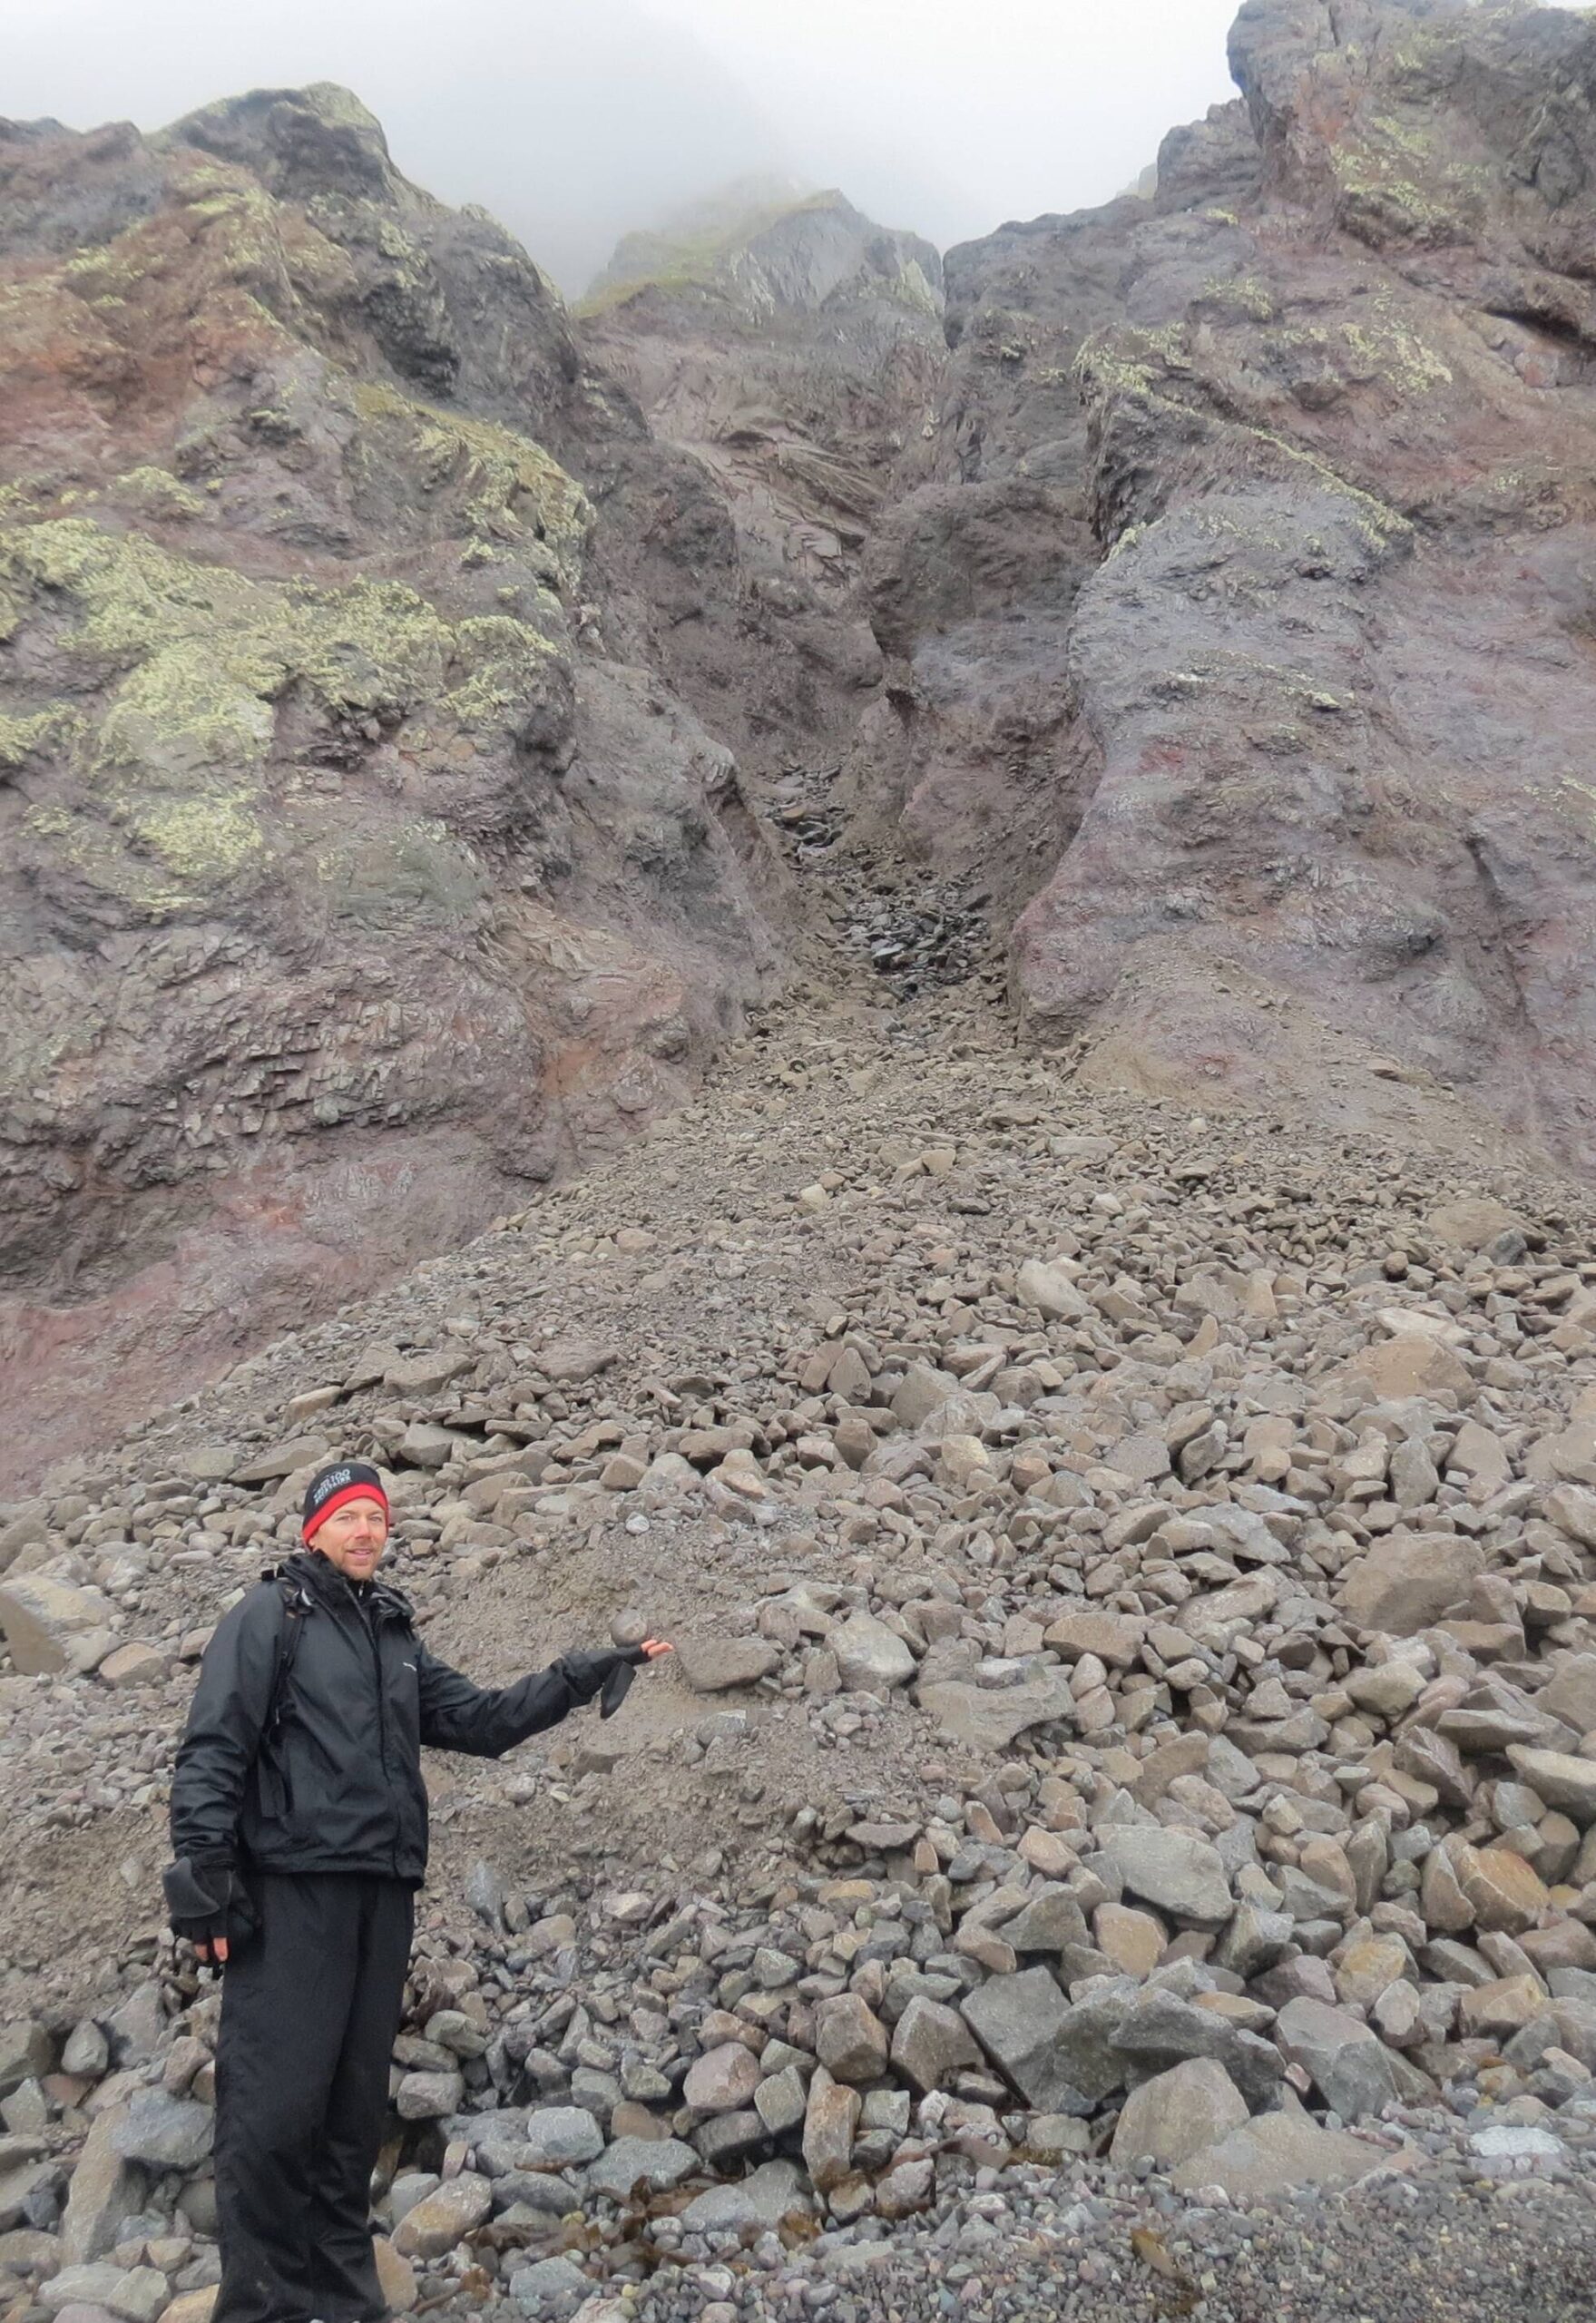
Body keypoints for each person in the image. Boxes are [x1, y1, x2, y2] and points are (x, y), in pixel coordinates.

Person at [162, 1458, 671, 2323]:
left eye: (376, 1518)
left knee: (349, 2113)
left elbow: (481, 1722)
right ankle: (262, 2307)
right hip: (292, 1892)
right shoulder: (270, 1616)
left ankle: (345, 2303)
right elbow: (213, 1747)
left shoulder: (390, 1634)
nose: (365, 1532)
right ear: (313, 1529)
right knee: (273, 2111)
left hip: (381, 1894)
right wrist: (202, 1880)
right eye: (347, 1517)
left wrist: (579, 1675)